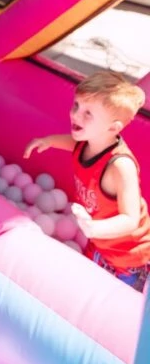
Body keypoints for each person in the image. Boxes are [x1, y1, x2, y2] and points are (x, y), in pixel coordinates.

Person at [25, 71, 150, 292]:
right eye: (76, 105)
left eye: (88, 113)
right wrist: (48, 141)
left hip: (130, 257)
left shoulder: (120, 167)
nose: (76, 115)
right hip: (100, 244)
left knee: (118, 302)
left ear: (113, 128)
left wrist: (94, 228)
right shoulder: (87, 142)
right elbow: (72, 144)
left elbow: (130, 219)